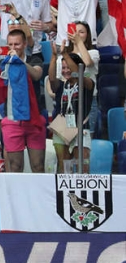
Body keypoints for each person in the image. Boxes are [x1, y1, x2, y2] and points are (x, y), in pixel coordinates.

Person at [0, 29, 45, 173]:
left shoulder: (34, 60)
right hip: (11, 119)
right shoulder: (3, 63)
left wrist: (19, 62)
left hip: (34, 118)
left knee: (38, 166)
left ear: (24, 44)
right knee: (15, 166)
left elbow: (36, 74)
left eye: (17, 44)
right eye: (10, 44)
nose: (13, 48)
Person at [48, 27, 95, 173]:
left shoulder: (87, 82)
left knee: (82, 166)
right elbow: (51, 79)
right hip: (63, 125)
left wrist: (65, 54)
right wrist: (54, 57)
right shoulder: (62, 85)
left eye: (68, 67)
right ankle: (65, 194)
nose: (66, 71)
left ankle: (82, 193)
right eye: (63, 68)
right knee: (64, 167)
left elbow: (77, 73)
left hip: (81, 126)